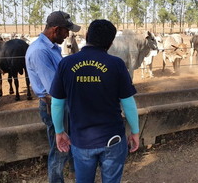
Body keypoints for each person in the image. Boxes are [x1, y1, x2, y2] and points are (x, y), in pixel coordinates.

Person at [49, 19, 140, 183]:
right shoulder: (116, 64)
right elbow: (128, 103)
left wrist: (59, 131)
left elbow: (57, 103)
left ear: (86, 35)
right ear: (111, 43)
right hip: (113, 139)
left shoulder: (66, 63)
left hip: (81, 141)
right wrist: (135, 131)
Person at [25, 11, 81, 183]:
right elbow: (54, 90)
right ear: (56, 30)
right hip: (54, 106)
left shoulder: (52, 47)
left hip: (61, 103)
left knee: (69, 144)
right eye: (66, 31)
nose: (68, 35)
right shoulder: (40, 52)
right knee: (60, 149)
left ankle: (76, 175)